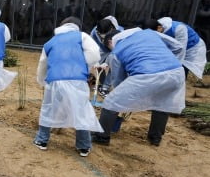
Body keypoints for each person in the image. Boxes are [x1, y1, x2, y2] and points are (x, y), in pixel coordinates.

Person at [92, 25, 185, 146]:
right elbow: (179, 46)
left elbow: (118, 80)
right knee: (162, 104)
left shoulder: (116, 52)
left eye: (109, 47)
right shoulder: (149, 33)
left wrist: (123, 100)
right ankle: (155, 138)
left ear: (110, 41)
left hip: (147, 75)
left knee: (111, 102)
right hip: (176, 72)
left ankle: (102, 137)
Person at [33, 16, 103, 157]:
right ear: (77, 26)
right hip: (77, 80)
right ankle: (83, 147)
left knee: (49, 108)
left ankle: (42, 140)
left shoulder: (50, 42)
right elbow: (95, 54)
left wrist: (42, 81)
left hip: (55, 80)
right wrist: (82, 63)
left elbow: (42, 64)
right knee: (80, 111)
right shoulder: (82, 36)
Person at [90, 15, 124, 94]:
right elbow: (91, 45)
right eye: (100, 34)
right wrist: (95, 60)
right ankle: (100, 84)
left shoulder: (120, 32)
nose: (103, 37)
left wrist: (108, 62)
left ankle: (105, 87)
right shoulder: (94, 31)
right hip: (101, 49)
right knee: (99, 66)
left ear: (111, 29)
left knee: (113, 64)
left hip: (114, 49)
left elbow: (117, 51)